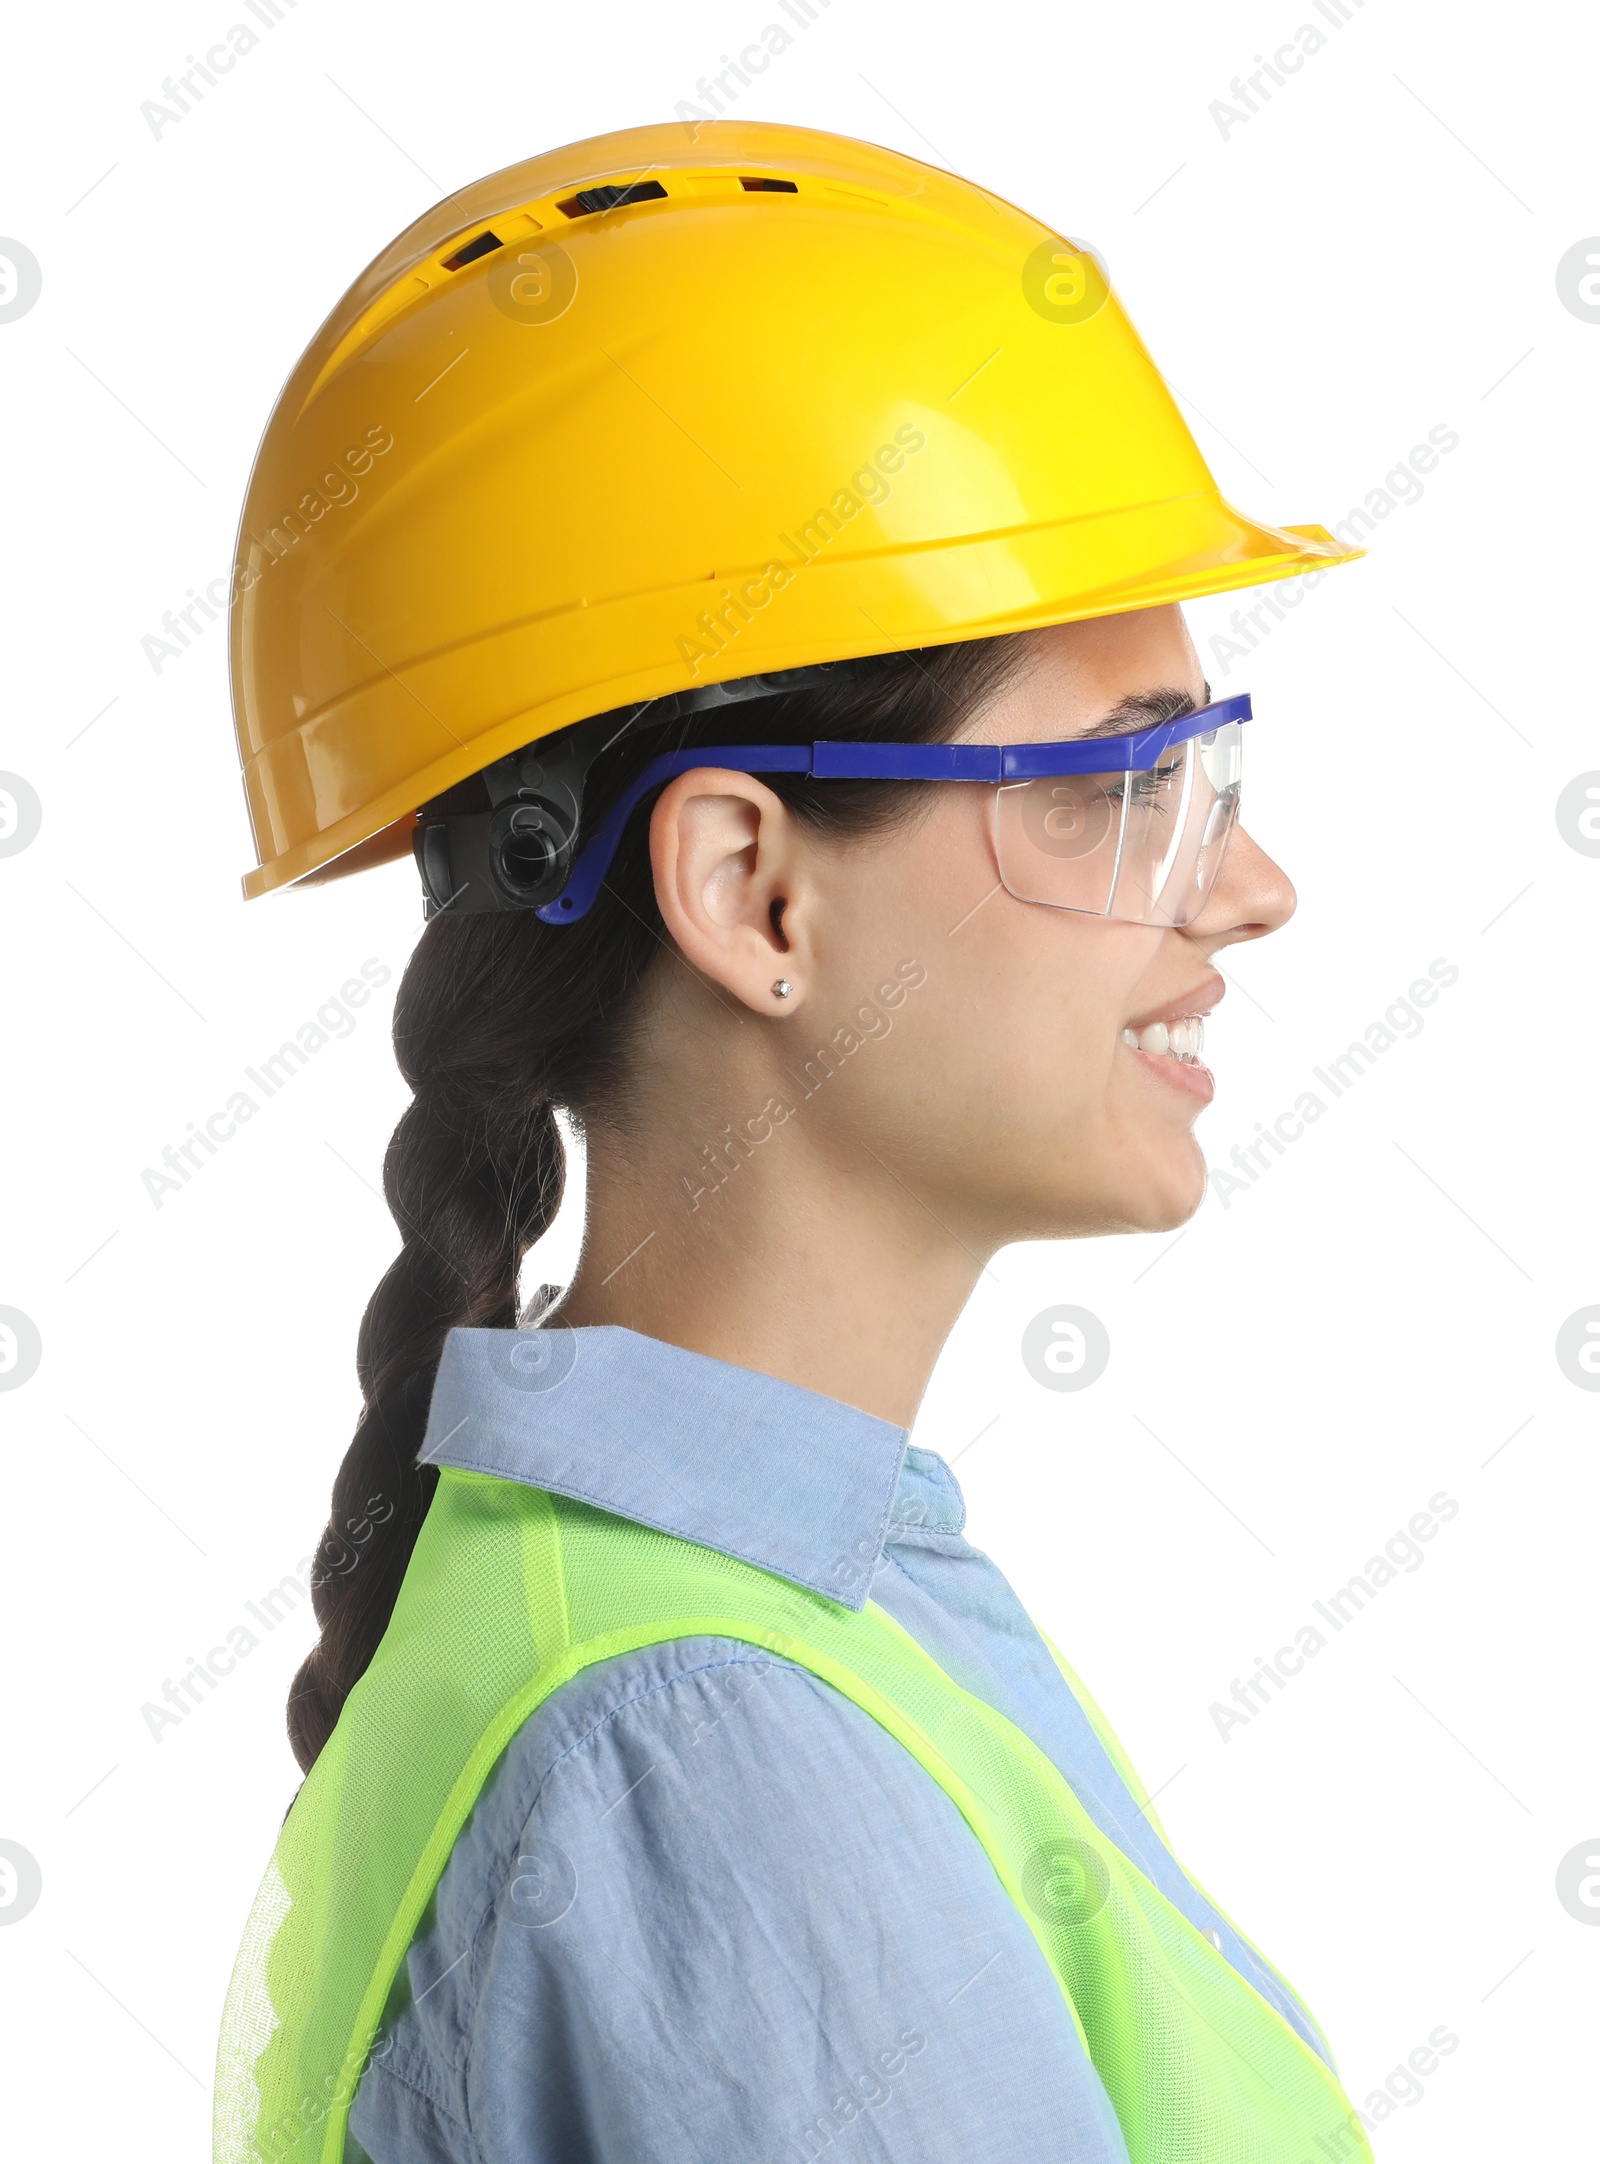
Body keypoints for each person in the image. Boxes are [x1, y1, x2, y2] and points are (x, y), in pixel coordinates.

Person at [216, 121, 1371, 2164]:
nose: (1248, 882)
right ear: (753, 890)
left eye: (1212, 769)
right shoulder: (699, 1748)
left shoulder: (775, 1624)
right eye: (1121, 780)